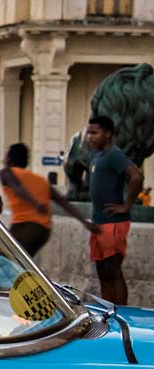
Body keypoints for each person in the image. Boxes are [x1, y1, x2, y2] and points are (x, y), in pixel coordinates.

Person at [0, 143, 96, 256]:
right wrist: (84, 221)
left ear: (9, 159)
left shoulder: (6, 172)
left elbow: (17, 188)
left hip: (24, 226)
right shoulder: (41, 180)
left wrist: (35, 203)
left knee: (5, 259)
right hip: (44, 230)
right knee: (22, 262)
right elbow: (63, 202)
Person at [86, 116, 144, 305]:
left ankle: (121, 312)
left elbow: (136, 177)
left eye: (95, 133)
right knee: (102, 271)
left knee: (114, 270)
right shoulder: (96, 156)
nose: (90, 137)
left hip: (113, 222)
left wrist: (126, 205)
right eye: (89, 133)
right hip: (98, 222)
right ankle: (108, 311)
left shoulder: (114, 154)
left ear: (108, 134)